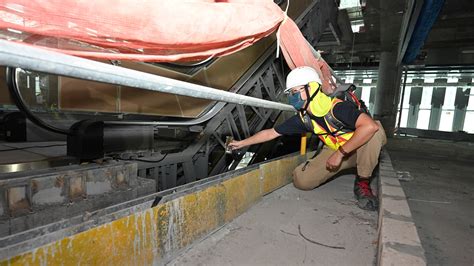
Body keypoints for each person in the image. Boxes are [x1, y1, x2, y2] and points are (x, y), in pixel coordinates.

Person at [228, 66, 387, 211]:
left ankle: (363, 181)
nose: (292, 97)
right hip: (335, 152)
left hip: (359, 150)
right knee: (302, 181)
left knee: (375, 130)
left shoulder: (338, 108)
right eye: (291, 93)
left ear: (311, 88)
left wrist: (339, 154)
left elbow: (369, 127)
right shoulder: (304, 118)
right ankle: (343, 166)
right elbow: (271, 133)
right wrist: (241, 143)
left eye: (295, 91)